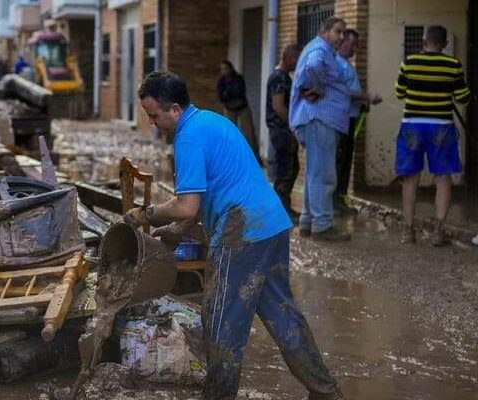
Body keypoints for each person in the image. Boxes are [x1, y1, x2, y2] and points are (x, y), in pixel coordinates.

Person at [126, 70, 344, 400]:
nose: (153, 122)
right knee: (283, 316)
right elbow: (204, 198)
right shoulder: (212, 121)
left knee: (221, 323)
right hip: (272, 224)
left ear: (173, 109)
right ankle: (326, 391)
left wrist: (146, 214)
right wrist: (176, 230)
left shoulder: (187, 138)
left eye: (153, 115)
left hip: (241, 232)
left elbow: (186, 205)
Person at [393, 25, 471, 246]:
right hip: (441, 128)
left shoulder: (409, 62)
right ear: (445, 44)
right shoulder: (452, 65)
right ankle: (438, 232)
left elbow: (399, 92)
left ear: (424, 42)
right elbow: (463, 97)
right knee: (443, 177)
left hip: (412, 126)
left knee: (410, 178)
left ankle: (408, 231)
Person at [290, 17, 351, 241]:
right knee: (324, 174)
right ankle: (322, 225)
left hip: (318, 121)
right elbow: (314, 66)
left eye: (344, 33)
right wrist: (317, 87)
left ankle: (308, 221)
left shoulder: (320, 49)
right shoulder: (320, 49)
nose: (342, 36)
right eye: (338, 32)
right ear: (324, 31)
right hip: (319, 120)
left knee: (314, 173)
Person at [334, 29, 382, 211]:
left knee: (346, 161)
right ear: (342, 42)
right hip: (341, 120)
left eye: (356, 45)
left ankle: (341, 197)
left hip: (351, 117)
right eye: (351, 44)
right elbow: (343, 92)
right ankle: (335, 200)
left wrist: (363, 103)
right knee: (340, 161)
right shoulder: (336, 64)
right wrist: (366, 96)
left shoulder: (346, 64)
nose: (354, 49)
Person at [266, 44, 302, 219]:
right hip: (281, 131)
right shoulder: (279, 78)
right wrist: (293, 125)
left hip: (281, 130)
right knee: (286, 171)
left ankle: (282, 208)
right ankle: (280, 211)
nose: (298, 64)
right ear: (289, 58)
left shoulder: (282, 77)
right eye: (297, 59)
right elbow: (278, 106)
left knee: (291, 168)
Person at [217, 61, 260, 163]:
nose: (224, 71)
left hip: (242, 108)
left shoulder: (238, 78)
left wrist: (228, 92)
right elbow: (221, 97)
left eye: (226, 68)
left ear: (230, 68)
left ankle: (254, 158)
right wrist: (228, 93)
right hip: (229, 108)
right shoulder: (221, 81)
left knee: (249, 133)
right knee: (229, 133)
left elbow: (239, 91)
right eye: (222, 69)